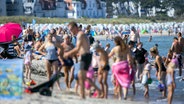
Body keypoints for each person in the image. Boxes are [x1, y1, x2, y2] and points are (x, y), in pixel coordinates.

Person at [64, 22, 101, 99]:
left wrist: (67, 54)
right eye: (69, 30)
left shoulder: (80, 34)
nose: (71, 31)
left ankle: (83, 95)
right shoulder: (81, 34)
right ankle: (97, 90)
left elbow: (77, 48)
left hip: (85, 56)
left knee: (81, 76)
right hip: (86, 56)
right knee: (82, 76)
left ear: (75, 27)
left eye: (71, 29)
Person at [109, 36, 133, 100]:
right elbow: (130, 58)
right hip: (125, 65)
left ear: (116, 42)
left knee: (118, 81)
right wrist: (131, 65)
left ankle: (120, 97)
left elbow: (108, 56)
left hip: (117, 65)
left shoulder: (115, 48)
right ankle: (125, 96)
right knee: (125, 82)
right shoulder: (126, 48)